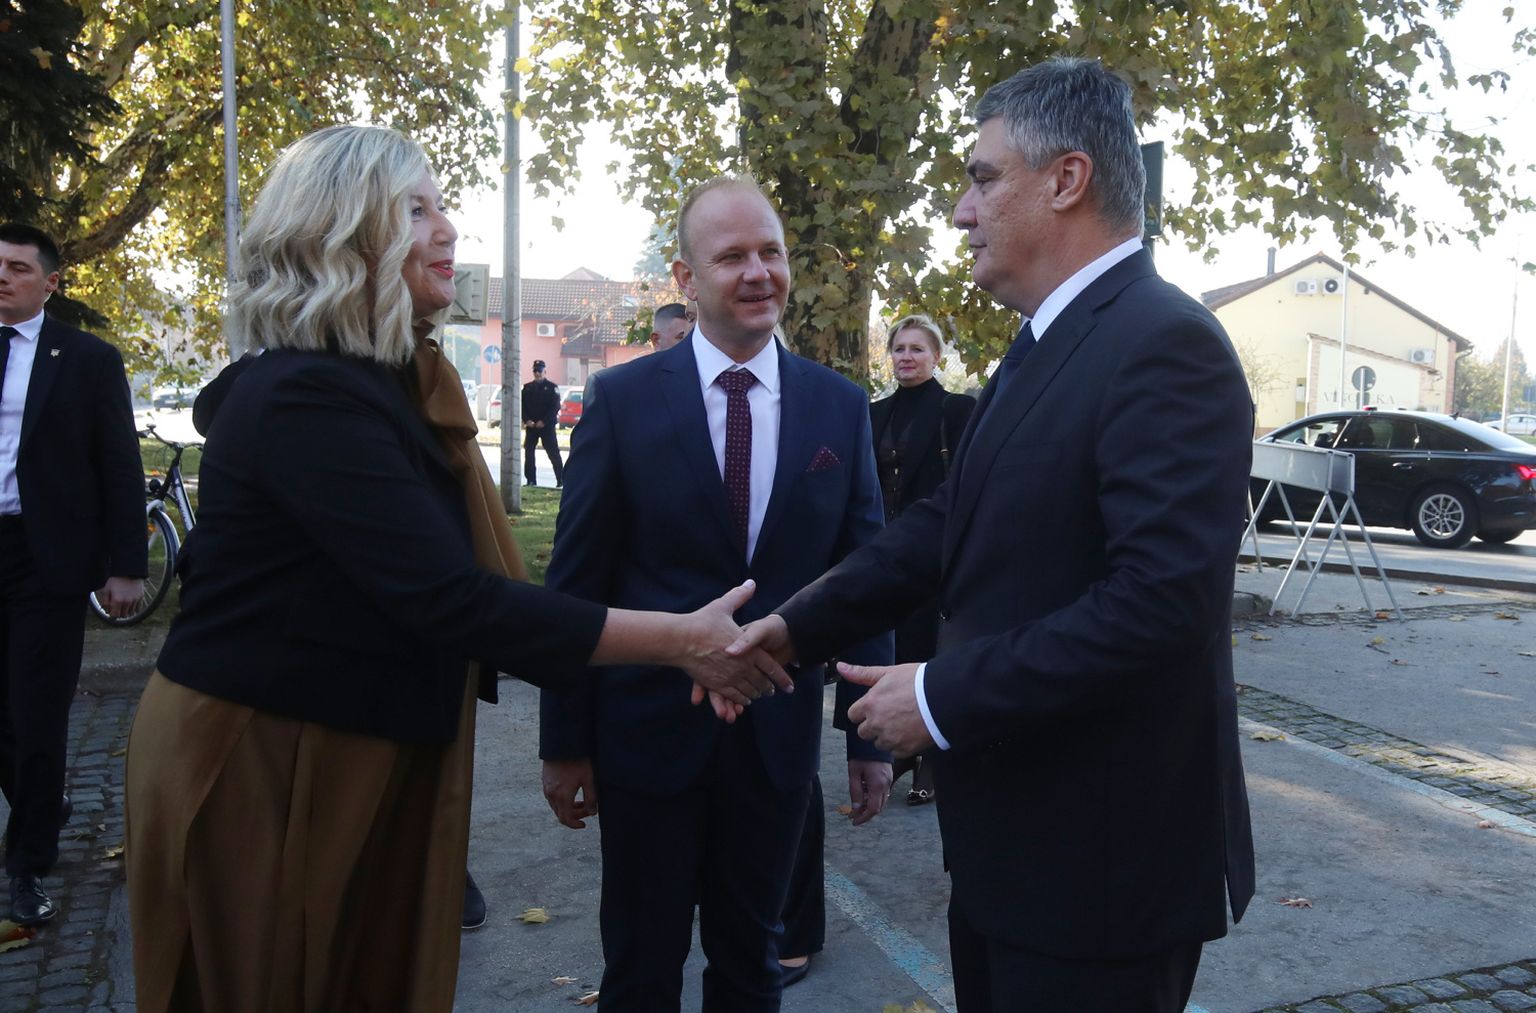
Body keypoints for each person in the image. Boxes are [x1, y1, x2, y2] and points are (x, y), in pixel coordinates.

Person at [122, 126, 791, 1013]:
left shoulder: (377, 380)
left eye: (441, 207)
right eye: (415, 210)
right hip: (267, 754)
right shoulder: (304, 392)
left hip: (352, 735)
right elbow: (453, 599)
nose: (447, 229)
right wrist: (680, 641)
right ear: (341, 232)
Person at [731, 58, 1256, 1010]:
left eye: (982, 178)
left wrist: (939, 696)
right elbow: (947, 521)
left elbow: (1160, 604)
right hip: (1010, 855)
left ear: (1066, 180)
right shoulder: (1048, 340)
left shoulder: (1165, 342)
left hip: (1102, 875)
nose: (962, 211)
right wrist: (791, 628)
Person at [538, 175, 893, 1011]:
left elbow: (864, 579)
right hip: (645, 740)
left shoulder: (839, 407)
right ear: (685, 277)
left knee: (752, 967)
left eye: (772, 251)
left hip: (773, 746)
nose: (759, 272)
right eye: (732, 256)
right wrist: (564, 739)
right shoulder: (622, 400)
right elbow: (576, 582)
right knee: (640, 967)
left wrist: (868, 734)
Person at [190, 350, 493, 932]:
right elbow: (211, 410)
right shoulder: (289, 377)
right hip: (311, 621)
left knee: (411, 747)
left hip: (410, 601)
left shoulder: (419, 369)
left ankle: (438, 858)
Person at [0, 223, 146, 927]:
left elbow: (119, 462)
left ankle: (27, 864)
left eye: (18, 268)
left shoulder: (86, 359)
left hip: (43, 558)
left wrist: (127, 567)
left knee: (36, 713)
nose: (3, 276)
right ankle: (42, 803)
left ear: (50, 282)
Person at [869, 313, 975, 806]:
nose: (906, 357)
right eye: (899, 349)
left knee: (931, 654)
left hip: (936, 550)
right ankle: (898, 750)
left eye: (917, 349)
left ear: (936, 357)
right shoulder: (873, 413)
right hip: (884, 551)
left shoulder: (957, 409)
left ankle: (931, 756)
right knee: (892, 649)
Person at [521, 358, 563, 486]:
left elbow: (555, 407)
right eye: (535, 371)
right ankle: (531, 480)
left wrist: (544, 421)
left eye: (539, 371)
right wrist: (527, 420)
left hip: (547, 426)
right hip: (531, 426)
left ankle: (561, 480)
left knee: (553, 452)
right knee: (529, 453)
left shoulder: (552, 388)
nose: (537, 373)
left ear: (545, 371)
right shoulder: (527, 388)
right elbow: (522, 406)